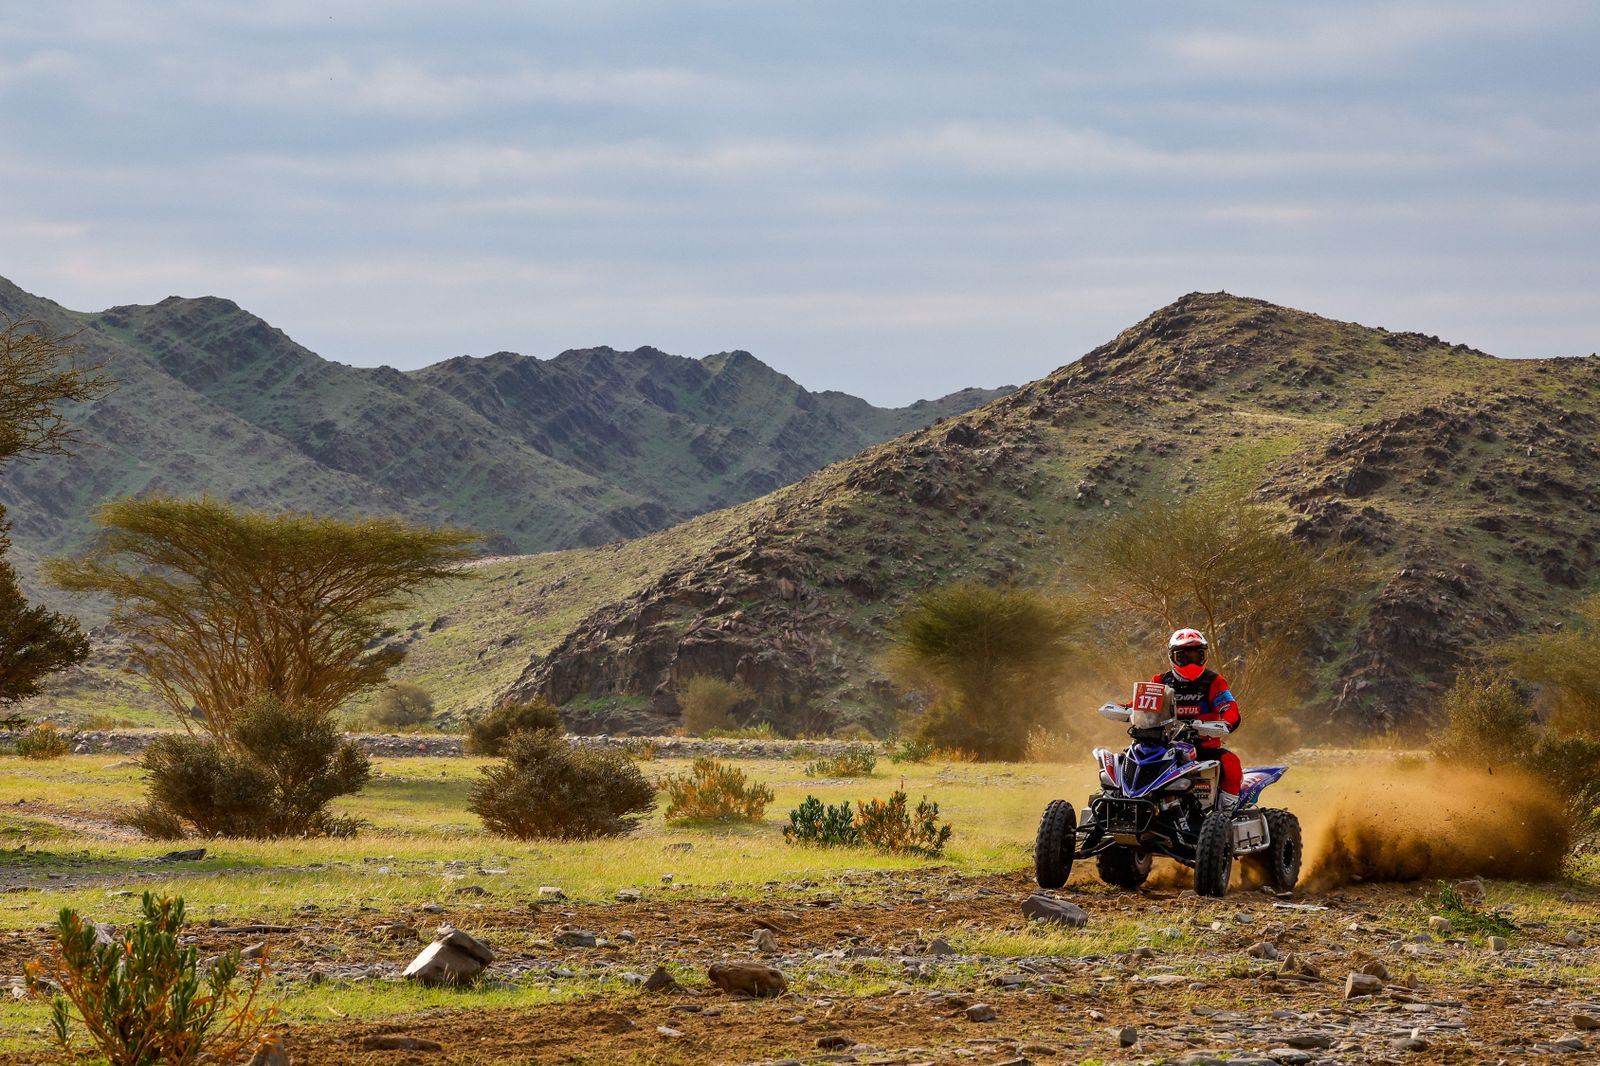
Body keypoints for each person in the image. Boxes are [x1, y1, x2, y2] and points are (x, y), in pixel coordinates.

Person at [1154, 628, 1242, 813]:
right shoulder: (1160, 681)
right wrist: (1126, 709)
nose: (1191, 662)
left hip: (1203, 748)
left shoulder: (1213, 681)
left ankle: (1224, 816)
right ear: (1172, 656)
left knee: (1232, 764)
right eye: (1184, 657)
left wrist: (1225, 722)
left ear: (1204, 656)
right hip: (1165, 747)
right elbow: (1142, 704)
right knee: (1129, 760)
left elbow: (1229, 707)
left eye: (1196, 655)